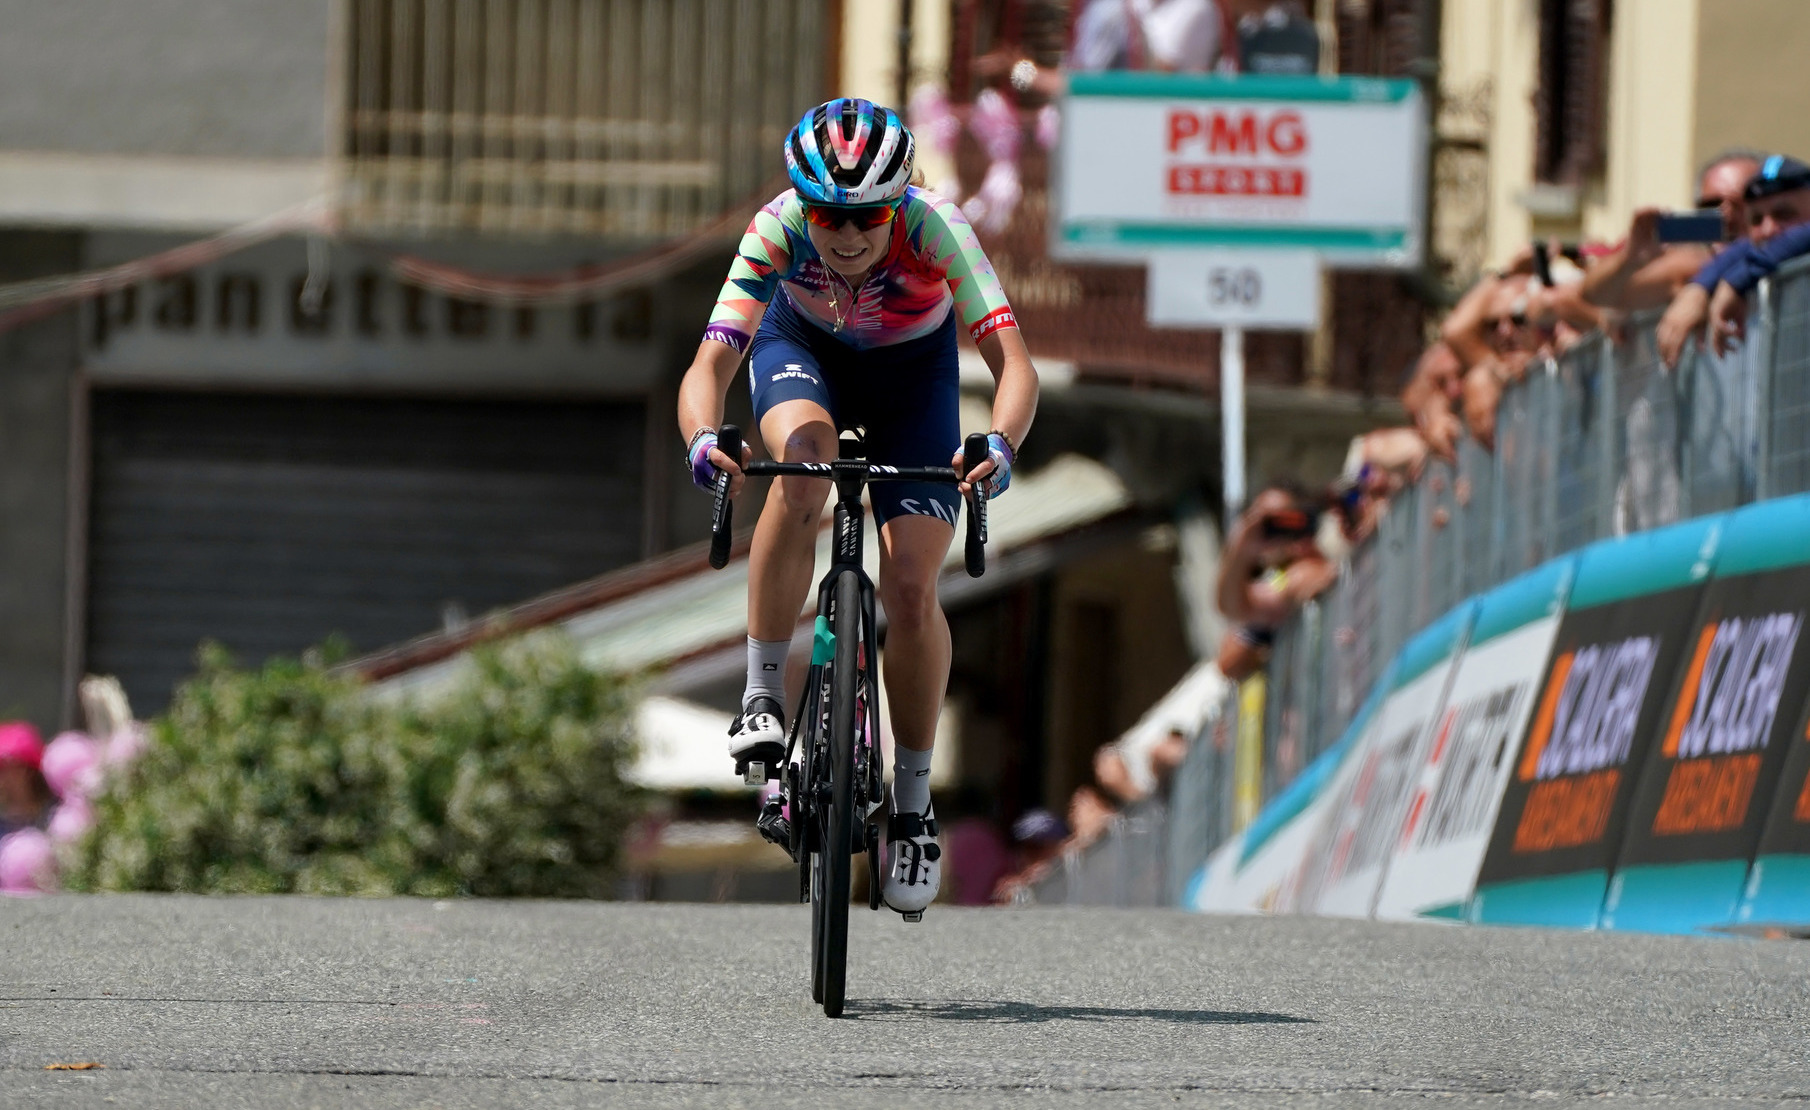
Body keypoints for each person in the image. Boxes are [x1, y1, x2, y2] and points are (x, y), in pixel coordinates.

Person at [676, 99, 1038, 916]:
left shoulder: (937, 227)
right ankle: (763, 693)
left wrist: (1001, 445)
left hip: (914, 376)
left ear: (898, 203)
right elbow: (708, 367)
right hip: (800, 350)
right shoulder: (776, 229)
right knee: (802, 471)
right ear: (803, 204)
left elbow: (1015, 365)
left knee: (911, 586)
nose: (845, 236)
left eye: (867, 218)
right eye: (828, 216)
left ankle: (911, 808)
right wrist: (704, 439)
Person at [1661, 154, 1810, 365]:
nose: (1768, 230)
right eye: (1757, 219)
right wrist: (1699, 288)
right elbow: (1745, 245)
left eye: (1784, 214)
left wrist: (1738, 279)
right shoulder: (1758, 254)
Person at [1582, 151, 1761, 314]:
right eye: (1711, 206)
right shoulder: (1693, 267)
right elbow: (1594, 294)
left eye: (1740, 203)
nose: (1726, 215)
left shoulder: (1784, 252)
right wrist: (1629, 259)